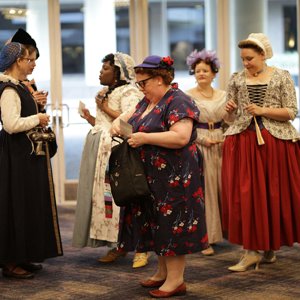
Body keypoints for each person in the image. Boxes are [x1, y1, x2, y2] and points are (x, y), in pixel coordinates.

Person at [111, 55, 208, 298]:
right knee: (157, 224)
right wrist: (117, 123)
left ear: (158, 79)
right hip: (152, 176)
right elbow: (128, 118)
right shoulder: (147, 101)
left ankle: (176, 281)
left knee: (172, 224)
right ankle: (163, 272)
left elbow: (181, 137)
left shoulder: (179, 101)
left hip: (175, 176)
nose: (140, 88)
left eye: (142, 83)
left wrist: (145, 138)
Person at [222, 33, 300, 272]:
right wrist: (229, 110)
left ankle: (268, 247)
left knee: (272, 195)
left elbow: (291, 112)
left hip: (275, 142)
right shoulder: (236, 79)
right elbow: (229, 119)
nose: (245, 63)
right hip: (243, 143)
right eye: (243, 59)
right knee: (247, 196)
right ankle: (251, 250)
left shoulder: (281, 76)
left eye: (250, 58)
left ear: (263, 55)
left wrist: (263, 110)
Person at [72, 52, 148, 268]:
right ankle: (118, 245)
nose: (100, 72)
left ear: (118, 72)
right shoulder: (103, 92)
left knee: (129, 198)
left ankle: (142, 248)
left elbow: (132, 121)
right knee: (109, 201)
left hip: (121, 152)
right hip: (102, 150)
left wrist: (105, 108)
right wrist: (89, 118)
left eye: (105, 68)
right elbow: (104, 123)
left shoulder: (130, 92)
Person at [0, 42, 63, 279]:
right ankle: (10, 261)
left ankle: (23, 255)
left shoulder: (19, 87)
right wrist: (38, 117)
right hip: (16, 155)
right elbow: (11, 124)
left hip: (24, 155)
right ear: (18, 61)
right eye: (31, 60)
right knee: (16, 204)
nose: (34, 64)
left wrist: (37, 107)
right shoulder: (8, 89)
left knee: (26, 203)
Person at [185, 49, 226, 256]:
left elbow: (230, 122)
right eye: (197, 70)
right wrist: (202, 139)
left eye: (205, 70)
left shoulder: (223, 95)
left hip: (221, 143)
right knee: (205, 191)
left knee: (222, 188)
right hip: (200, 145)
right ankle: (205, 238)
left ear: (214, 73)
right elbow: (186, 125)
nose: (201, 74)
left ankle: (224, 233)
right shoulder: (187, 96)